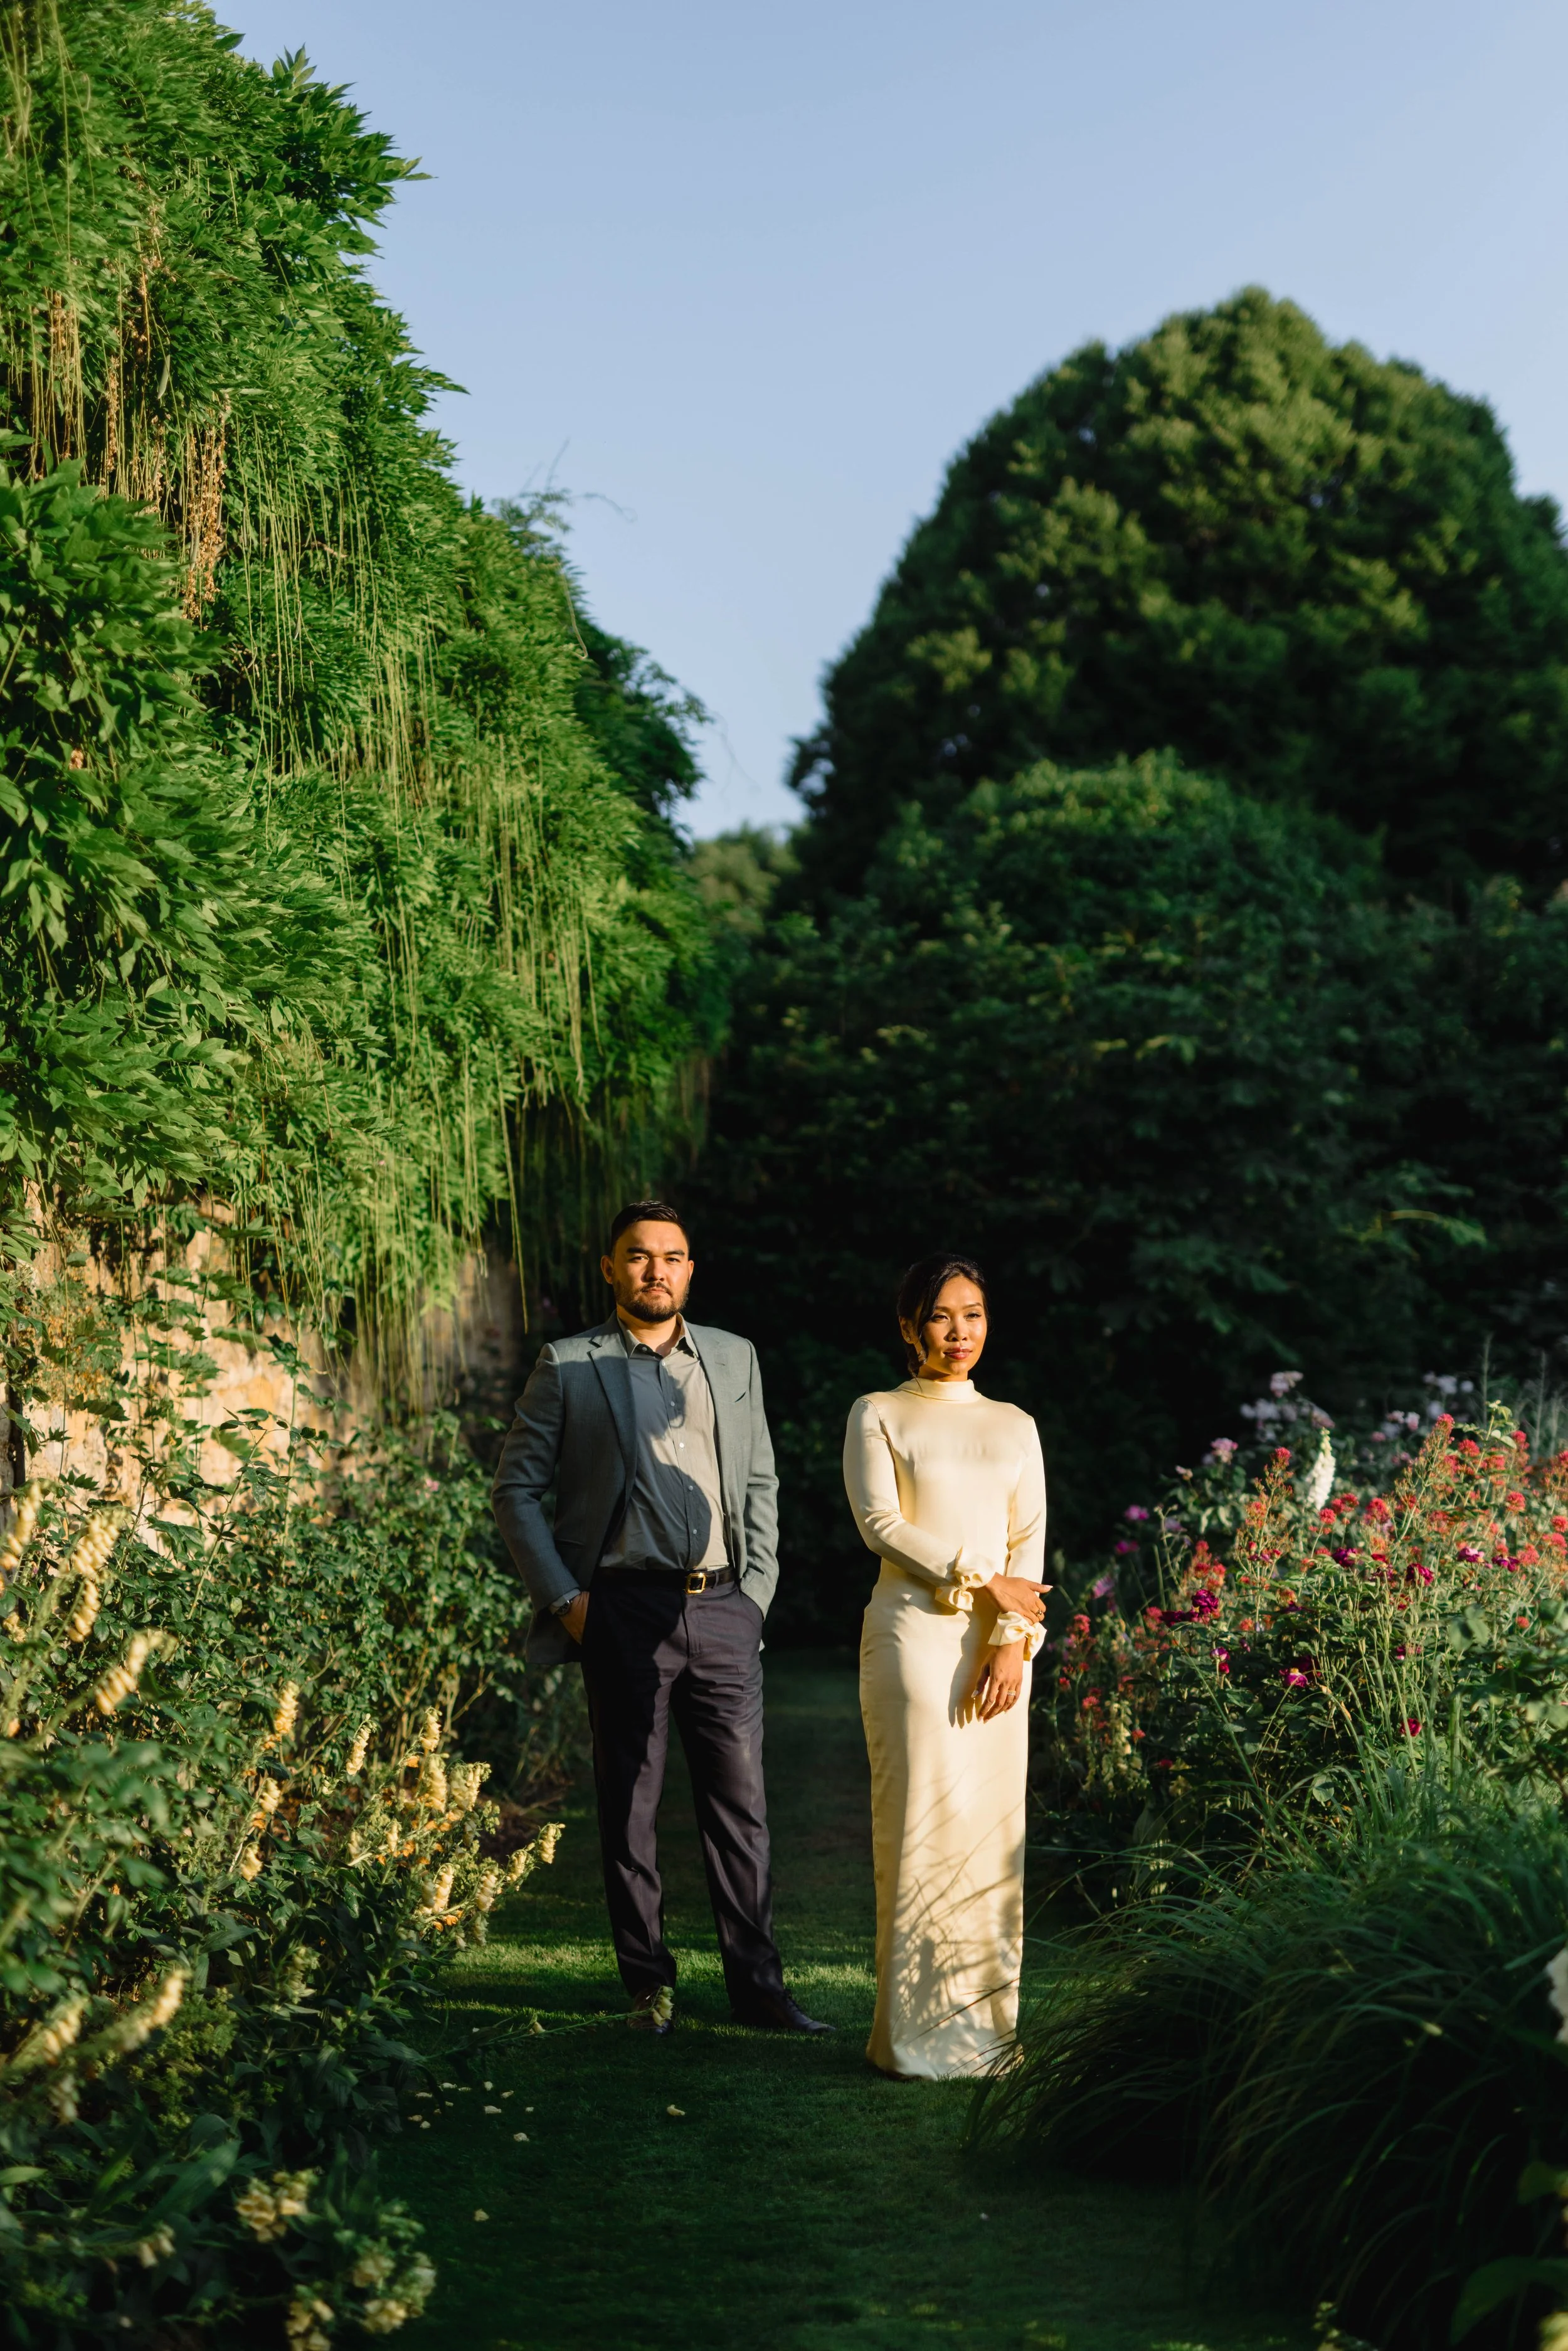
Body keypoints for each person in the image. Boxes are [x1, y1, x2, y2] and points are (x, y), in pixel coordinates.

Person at [492, 1200, 829, 2038]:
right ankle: (650, 1986)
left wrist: (757, 1596)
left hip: (723, 1607)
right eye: (638, 1257)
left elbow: (759, 1484)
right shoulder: (570, 1364)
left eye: (672, 1257)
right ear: (611, 1269)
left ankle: (760, 1991)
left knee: (741, 1808)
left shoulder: (732, 1357)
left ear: (689, 1269)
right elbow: (515, 1490)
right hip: (621, 1607)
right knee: (631, 1804)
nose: (656, 1271)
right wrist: (568, 1602)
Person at [842, 1253, 1048, 2079]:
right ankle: (912, 2037)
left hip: (999, 1647)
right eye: (940, 1316)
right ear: (908, 1328)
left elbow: (1030, 1542)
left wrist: (1010, 1638)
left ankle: (987, 2031)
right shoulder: (879, 1412)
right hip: (914, 1643)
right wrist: (980, 1576)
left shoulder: (1015, 1424)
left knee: (993, 1835)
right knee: (923, 1828)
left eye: (973, 1314)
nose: (960, 1332)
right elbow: (881, 1524)